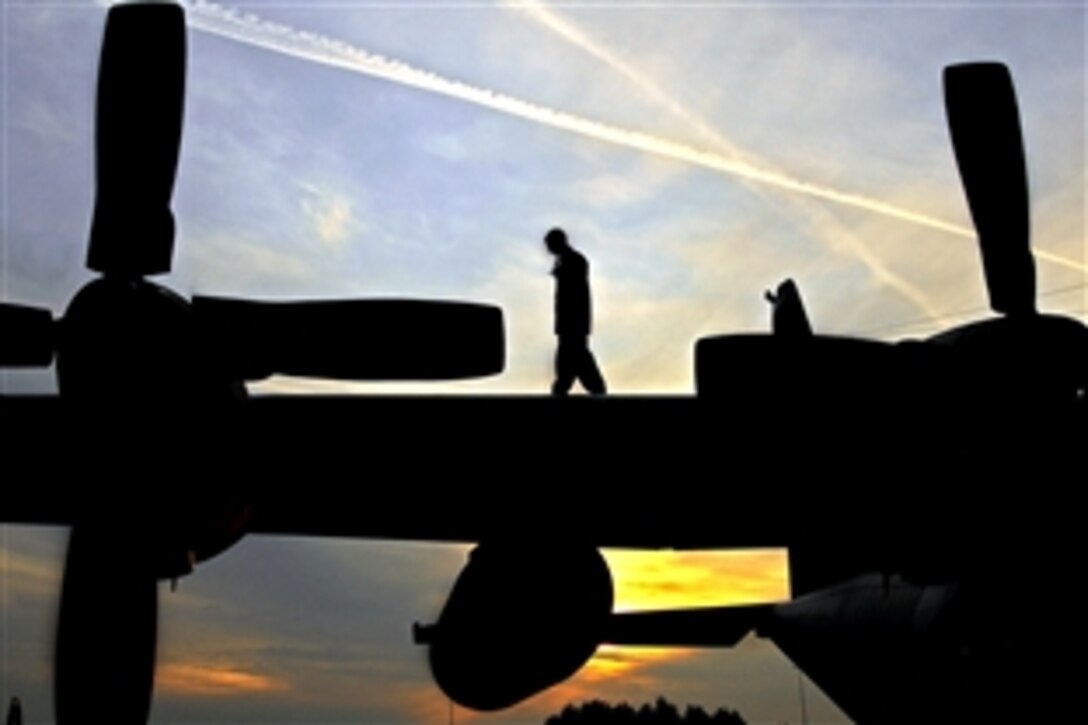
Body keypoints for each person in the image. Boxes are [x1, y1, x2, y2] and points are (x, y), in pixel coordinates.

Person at [543, 228, 606, 396]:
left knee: (574, 360)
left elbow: (574, 296)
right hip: (570, 323)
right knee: (572, 362)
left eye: (549, 245)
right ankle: (568, 388)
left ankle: (594, 391)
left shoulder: (573, 261)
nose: (548, 249)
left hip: (573, 323)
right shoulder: (568, 260)